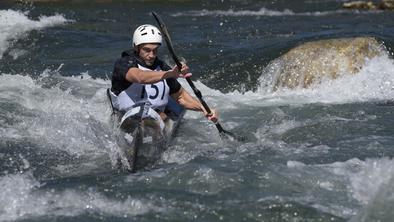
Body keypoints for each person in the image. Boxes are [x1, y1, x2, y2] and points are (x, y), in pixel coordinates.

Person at [109, 24, 218, 123]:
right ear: (136, 47)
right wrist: (169, 74)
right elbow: (140, 77)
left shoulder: (162, 67)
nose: (151, 55)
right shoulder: (123, 63)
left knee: (163, 113)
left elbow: (180, 97)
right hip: (126, 115)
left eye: (155, 50)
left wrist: (204, 109)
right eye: (147, 50)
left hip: (154, 117)